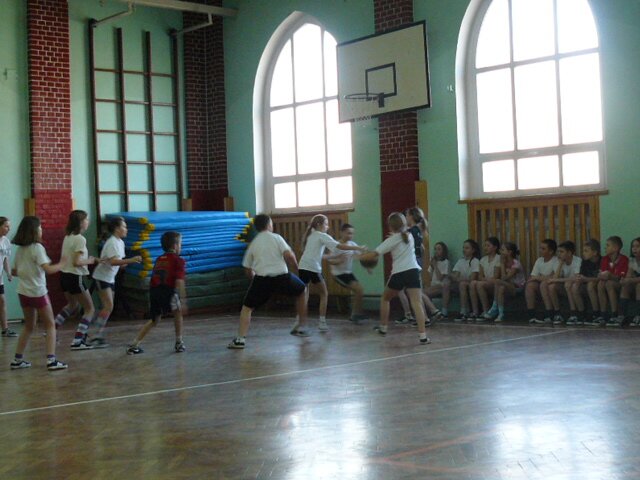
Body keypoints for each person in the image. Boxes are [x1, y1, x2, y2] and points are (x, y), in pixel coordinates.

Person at [227, 214, 308, 349]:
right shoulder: (277, 238)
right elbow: (289, 255)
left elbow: (247, 268)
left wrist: (254, 280)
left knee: (247, 308)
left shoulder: (253, 243)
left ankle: (240, 339)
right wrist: (295, 268)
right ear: (269, 224)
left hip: (262, 280)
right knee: (302, 290)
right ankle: (301, 325)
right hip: (282, 277)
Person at [359, 212, 430, 345]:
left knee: (385, 298)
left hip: (399, 273)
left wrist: (359, 257)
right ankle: (423, 337)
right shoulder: (409, 236)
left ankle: (383, 328)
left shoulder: (392, 239)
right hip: (413, 271)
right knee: (417, 303)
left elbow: (374, 254)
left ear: (390, 226)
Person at [10, 216, 67, 370]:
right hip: (38, 292)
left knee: (29, 326)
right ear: (34, 231)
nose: (42, 230)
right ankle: (51, 360)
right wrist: (62, 263)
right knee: (50, 325)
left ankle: (17, 360)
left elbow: (14, 271)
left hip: (23, 293)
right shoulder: (37, 248)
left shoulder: (20, 250)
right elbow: (48, 269)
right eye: (40, 227)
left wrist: (26, 272)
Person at [298, 214, 365, 332]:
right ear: (319, 224)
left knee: (304, 295)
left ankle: (299, 321)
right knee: (324, 294)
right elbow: (339, 246)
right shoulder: (322, 235)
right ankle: (322, 323)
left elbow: (325, 253)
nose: (327, 227)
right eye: (326, 224)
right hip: (313, 268)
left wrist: (336, 256)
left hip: (302, 266)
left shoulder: (311, 235)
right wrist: (357, 248)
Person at [127, 231, 187, 354]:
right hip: (168, 290)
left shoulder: (159, 259)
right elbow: (179, 281)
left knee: (155, 320)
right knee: (178, 313)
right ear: (175, 246)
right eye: (180, 244)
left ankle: (135, 344)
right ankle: (179, 342)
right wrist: (183, 299)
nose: (181, 246)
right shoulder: (178, 260)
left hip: (154, 291)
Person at [88, 216, 142, 347]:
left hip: (109, 278)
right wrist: (131, 260)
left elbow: (118, 262)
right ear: (117, 229)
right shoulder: (112, 242)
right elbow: (113, 262)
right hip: (102, 277)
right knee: (108, 306)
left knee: (108, 307)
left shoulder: (120, 242)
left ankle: (95, 333)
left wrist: (125, 263)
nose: (126, 229)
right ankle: (93, 334)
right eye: (124, 227)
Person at [54, 210, 97, 350]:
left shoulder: (68, 237)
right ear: (80, 223)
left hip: (64, 276)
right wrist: (90, 260)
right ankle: (78, 341)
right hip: (74, 276)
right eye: (86, 219)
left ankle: (52, 329)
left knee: (72, 304)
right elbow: (77, 262)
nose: (88, 222)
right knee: (90, 309)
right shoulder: (80, 239)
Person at [326, 223, 368, 323]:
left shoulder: (352, 244)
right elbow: (330, 260)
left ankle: (356, 314)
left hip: (348, 273)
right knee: (358, 290)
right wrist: (339, 261)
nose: (350, 235)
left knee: (360, 290)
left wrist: (367, 266)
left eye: (352, 233)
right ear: (342, 233)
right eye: (348, 233)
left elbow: (361, 257)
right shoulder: (336, 246)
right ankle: (355, 314)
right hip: (339, 274)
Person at [395, 207, 429, 324]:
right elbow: (422, 249)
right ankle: (421, 317)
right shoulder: (418, 230)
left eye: (407, 215)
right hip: (416, 261)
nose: (406, 217)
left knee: (414, 292)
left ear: (411, 217)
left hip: (411, 263)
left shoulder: (411, 232)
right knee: (412, 291)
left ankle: (426, 315)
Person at [484, 242, 526, 322]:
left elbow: (504, 278)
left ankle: (494, 307)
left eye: (503, 250)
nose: (500, 251)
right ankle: (501, 313)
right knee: (501, 288)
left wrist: (502, 265)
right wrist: (502, 264)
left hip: (517, 287)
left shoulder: (516, 264)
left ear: (509, 252)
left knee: (498, 282)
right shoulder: (504, 261)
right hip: (507, 285)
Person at [545, 241, 582, 325]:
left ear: (569, 253)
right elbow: (555, 277)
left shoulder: (577, 260)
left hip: (577, 285)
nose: (559, 254)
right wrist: (560, 264)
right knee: (551, 286)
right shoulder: (559, 261)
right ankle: (558, 313)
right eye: (558, 252)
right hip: (565, 284)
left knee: (568, 284)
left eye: (561, 252)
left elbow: (576, 278)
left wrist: (556, 280)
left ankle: (574, 313)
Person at [567, 239, 602, 326]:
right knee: (574, 286)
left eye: (586, 251)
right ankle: (581, 313)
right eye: (583, 251)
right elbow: (581, 275)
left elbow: (601, 278)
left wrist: (586, 279)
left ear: (595, 253)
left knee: (590, 285)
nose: (583, 253)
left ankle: (596, 314)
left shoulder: (602, 261)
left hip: (598, 283)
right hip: (586, 282)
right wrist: (579, 279)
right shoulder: (585, 262)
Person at [525, 239, 559, 324]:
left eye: (543, 249)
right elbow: (533, 276)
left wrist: (540, 277)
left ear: (551, 251)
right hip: (540, 282)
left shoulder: (556, 260)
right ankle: (531, 313)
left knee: (544, 284)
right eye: (540, 248)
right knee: (530, 285)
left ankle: (549, 312)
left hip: (552, 284)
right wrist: (542, 277)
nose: (540, 250)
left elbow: (553, 277)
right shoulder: (539, 260)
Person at [597, 235, 629, 326]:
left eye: (608, 245)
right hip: (608, 282)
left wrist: (610, 275)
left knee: (609, 284)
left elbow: (621, 277)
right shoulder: (605, 259)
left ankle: (614, 314)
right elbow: (601, 274)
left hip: (620, 284)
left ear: (615, 248)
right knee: (600, 284)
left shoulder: (624, 259)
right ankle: (603, 314)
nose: (605, 248)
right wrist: (602, 275)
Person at [470, 237, 501, 322]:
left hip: (495, 283)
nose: (485, 248)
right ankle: (475, 311)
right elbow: (480, 276)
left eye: (488, 246)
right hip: (486, 281)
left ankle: (486, 310)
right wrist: (484, 279)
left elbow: (496, 276)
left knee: (480, 284)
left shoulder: (498, 258)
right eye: (485, 246)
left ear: (495, 247)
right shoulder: (483, 260)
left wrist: (484, 279)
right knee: (473, 283)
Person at [452, 239, 481, 322]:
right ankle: (463, 311)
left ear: (473, 250)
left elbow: (473, 277)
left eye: (467, 248)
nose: (464, 250)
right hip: (463, 283)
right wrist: (459, 278)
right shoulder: (460, 261)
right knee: (461, 284)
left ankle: (474, 312)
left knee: (463, 284)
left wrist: (460, 279)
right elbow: (454, 276)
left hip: (472, 284)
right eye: (463, 248)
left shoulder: (475, 261)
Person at [0, 216, 18, 337]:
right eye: (6, 226)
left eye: (9, 226)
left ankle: (5, 329)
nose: (8, 229)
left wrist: (8, 273)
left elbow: (5, 258)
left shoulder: (6, 241)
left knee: (2, 301)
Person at [424, 241, 451, 318]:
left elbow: (440, 278)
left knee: (444, 286)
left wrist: (435, 265)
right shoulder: (433, 262)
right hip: (434, 285)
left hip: (442, 285)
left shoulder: (446, 262)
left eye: (439, 249)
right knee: (422, 292)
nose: (436, 251)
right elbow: (430, 277)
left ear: (443, 251)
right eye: (435, 249)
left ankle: (443, 311)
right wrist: (432, 265)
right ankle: (431, 311)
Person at [621, 237, 640, 326]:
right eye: (633, 246)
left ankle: (638, 315)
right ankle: (624, 315)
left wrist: (631, 279)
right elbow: (629, 276)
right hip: (635, 283)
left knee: (639, 286)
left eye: (637, 246)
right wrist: (624, 280)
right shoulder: (632, 260)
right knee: (625, 286)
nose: (634, 248)